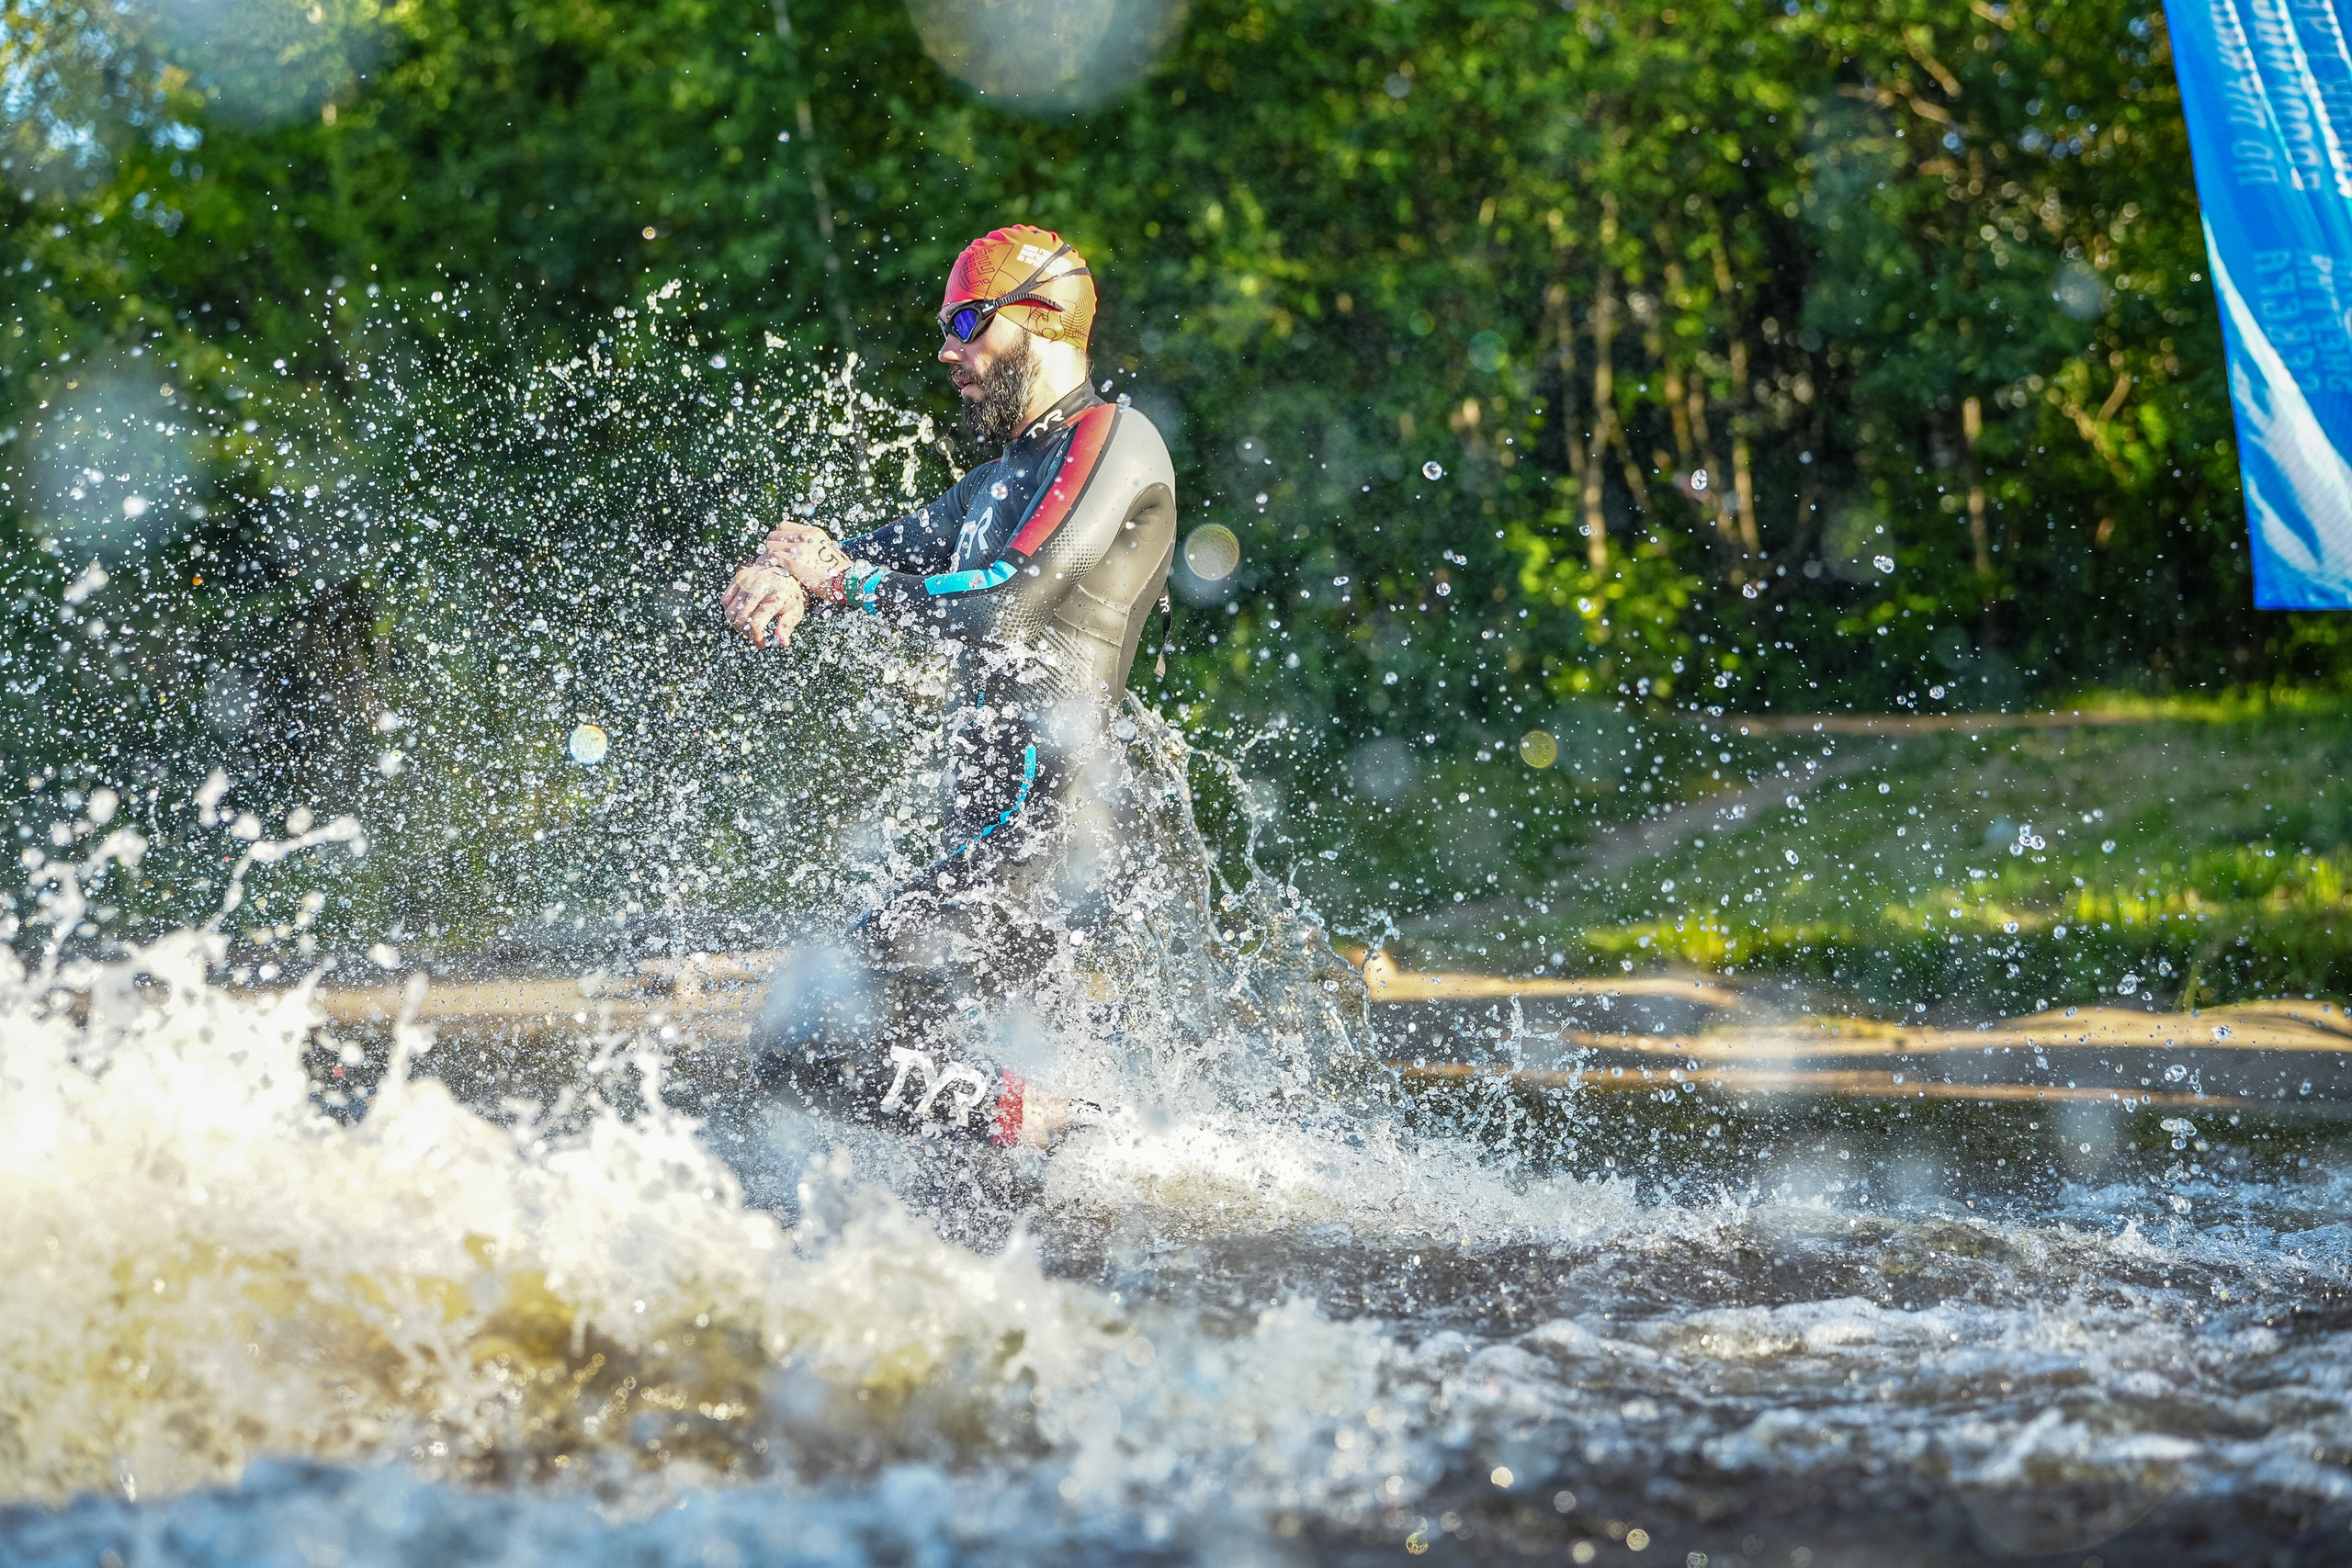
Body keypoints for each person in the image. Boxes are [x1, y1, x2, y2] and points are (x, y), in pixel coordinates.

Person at [720, 225, 1177, 1148]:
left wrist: (838, 582)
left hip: (1047, 839)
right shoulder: (985, 489)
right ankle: (1091, 1153)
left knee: (800, 1040)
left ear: (1045, 320)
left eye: (969, 320)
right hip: (990, 847)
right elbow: (853, 561)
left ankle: (1085, 1135)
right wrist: (786, 563)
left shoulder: (1112, 439)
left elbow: (1003, 603)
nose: (947, 349)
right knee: (956, 1163)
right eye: (944, 324)